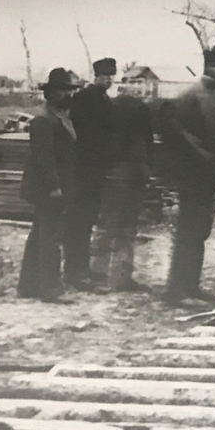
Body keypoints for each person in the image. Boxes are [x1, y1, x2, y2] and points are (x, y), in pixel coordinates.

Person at [158, 47, 215, 307]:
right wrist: (200, 153)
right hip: (193, 175)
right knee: (189, 231)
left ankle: (191, 285)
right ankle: (177, 291)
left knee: (200, 231)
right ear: (208, 67)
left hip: (210, 174)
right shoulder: (190, 95)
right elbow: (171, 130)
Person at [18, 68, 79, 301]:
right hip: (47, 187)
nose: (67, 94)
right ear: (51, 93)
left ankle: (28, 286)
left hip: (56, 183)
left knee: (39, 235)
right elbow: (43, 157)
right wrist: (54, 186)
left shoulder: (62, 117)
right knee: (51, 237)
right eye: (62, 91)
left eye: (69, 90)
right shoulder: (43, 120)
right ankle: (51, 288)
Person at [87, 84, 153, 292]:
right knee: (127, 226)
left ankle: (99, 275)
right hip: (134, 171)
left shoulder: (108, 110)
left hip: (116, 172)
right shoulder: (140, 109)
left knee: (107, 223)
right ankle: (122, 276)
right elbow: (148, 141)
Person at [63, 57, 119, 288]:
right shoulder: (85, 98)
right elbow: (80, 133)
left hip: (95, 169)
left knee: (87, 220)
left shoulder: (104, 99)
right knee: (78, 221)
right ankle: (73, 272)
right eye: (105, 76)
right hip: (83, 169)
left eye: (111, 76)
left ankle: (83, 268)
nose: (108, 80)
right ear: (96, 76)